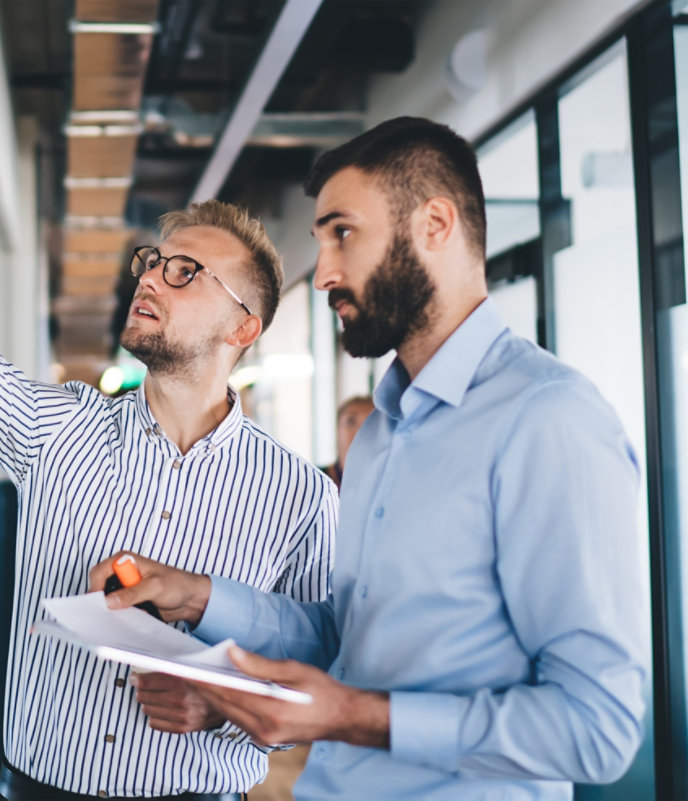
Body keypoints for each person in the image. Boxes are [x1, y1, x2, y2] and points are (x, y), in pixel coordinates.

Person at [95, 117, 649, 799]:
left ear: (435, 225)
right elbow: (349, 637)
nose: (325, 271)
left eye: (343, 233)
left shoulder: (549, 420)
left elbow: (598, 726)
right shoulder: (384, 431)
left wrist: (356, 715)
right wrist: (200, 595)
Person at [0, 41, 336, 800]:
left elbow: (320, 665)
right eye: (151, 261)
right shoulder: (61, 430)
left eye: (184, 272)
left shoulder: (301, 497)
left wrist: (222, 707)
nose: (150, 277)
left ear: (244, 327)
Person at [319, 395, 372, 488]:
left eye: (371, 422)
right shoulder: (313, 482)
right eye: (351, 421)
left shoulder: (393, 484)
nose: (360, 430)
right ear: (336, 429)